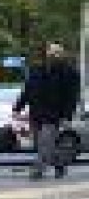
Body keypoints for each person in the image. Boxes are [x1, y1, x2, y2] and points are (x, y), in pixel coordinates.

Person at [13, 43, 81, 180]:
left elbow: (72, 97)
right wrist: (18, 108)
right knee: (40, 144)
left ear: (62, 55)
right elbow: (27, 90)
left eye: (56, 53)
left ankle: (38, 170)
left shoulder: (70, 73)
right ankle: (60, 164)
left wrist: (67, 116)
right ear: (47, 54)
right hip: (36, 113)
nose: (53, 56)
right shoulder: (36, 70)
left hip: (54, 115)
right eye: (51, 53)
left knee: (46, 142)